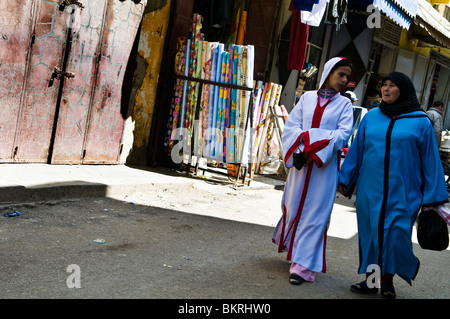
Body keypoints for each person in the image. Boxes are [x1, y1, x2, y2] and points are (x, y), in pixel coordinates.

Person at [338, 72, 449, 299]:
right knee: (369, 237)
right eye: (384, 85)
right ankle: (371, 282)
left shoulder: (420, 122)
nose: (386, 89)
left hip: (404, 194)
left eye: (392, 86)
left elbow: (430, 161)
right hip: (370, 191)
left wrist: (435, 197)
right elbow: (357, 150)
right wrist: (345, 179)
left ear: (404, 90)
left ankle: (387, 280)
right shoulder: (372, 117)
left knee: (394, 235)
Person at [272, 57, 354, 285]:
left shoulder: (345, 105)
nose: (344, 80)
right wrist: (302, 148)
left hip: (323, 169)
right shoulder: (306, 98)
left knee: (316, 215)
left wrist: (313, 146)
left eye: (347, 77)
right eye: (341, 75)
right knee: (293, 205)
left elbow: (342, 135)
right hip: (301, 166)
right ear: (328, 73)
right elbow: (292, 126)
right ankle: (295, 252)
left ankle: (304, 267)